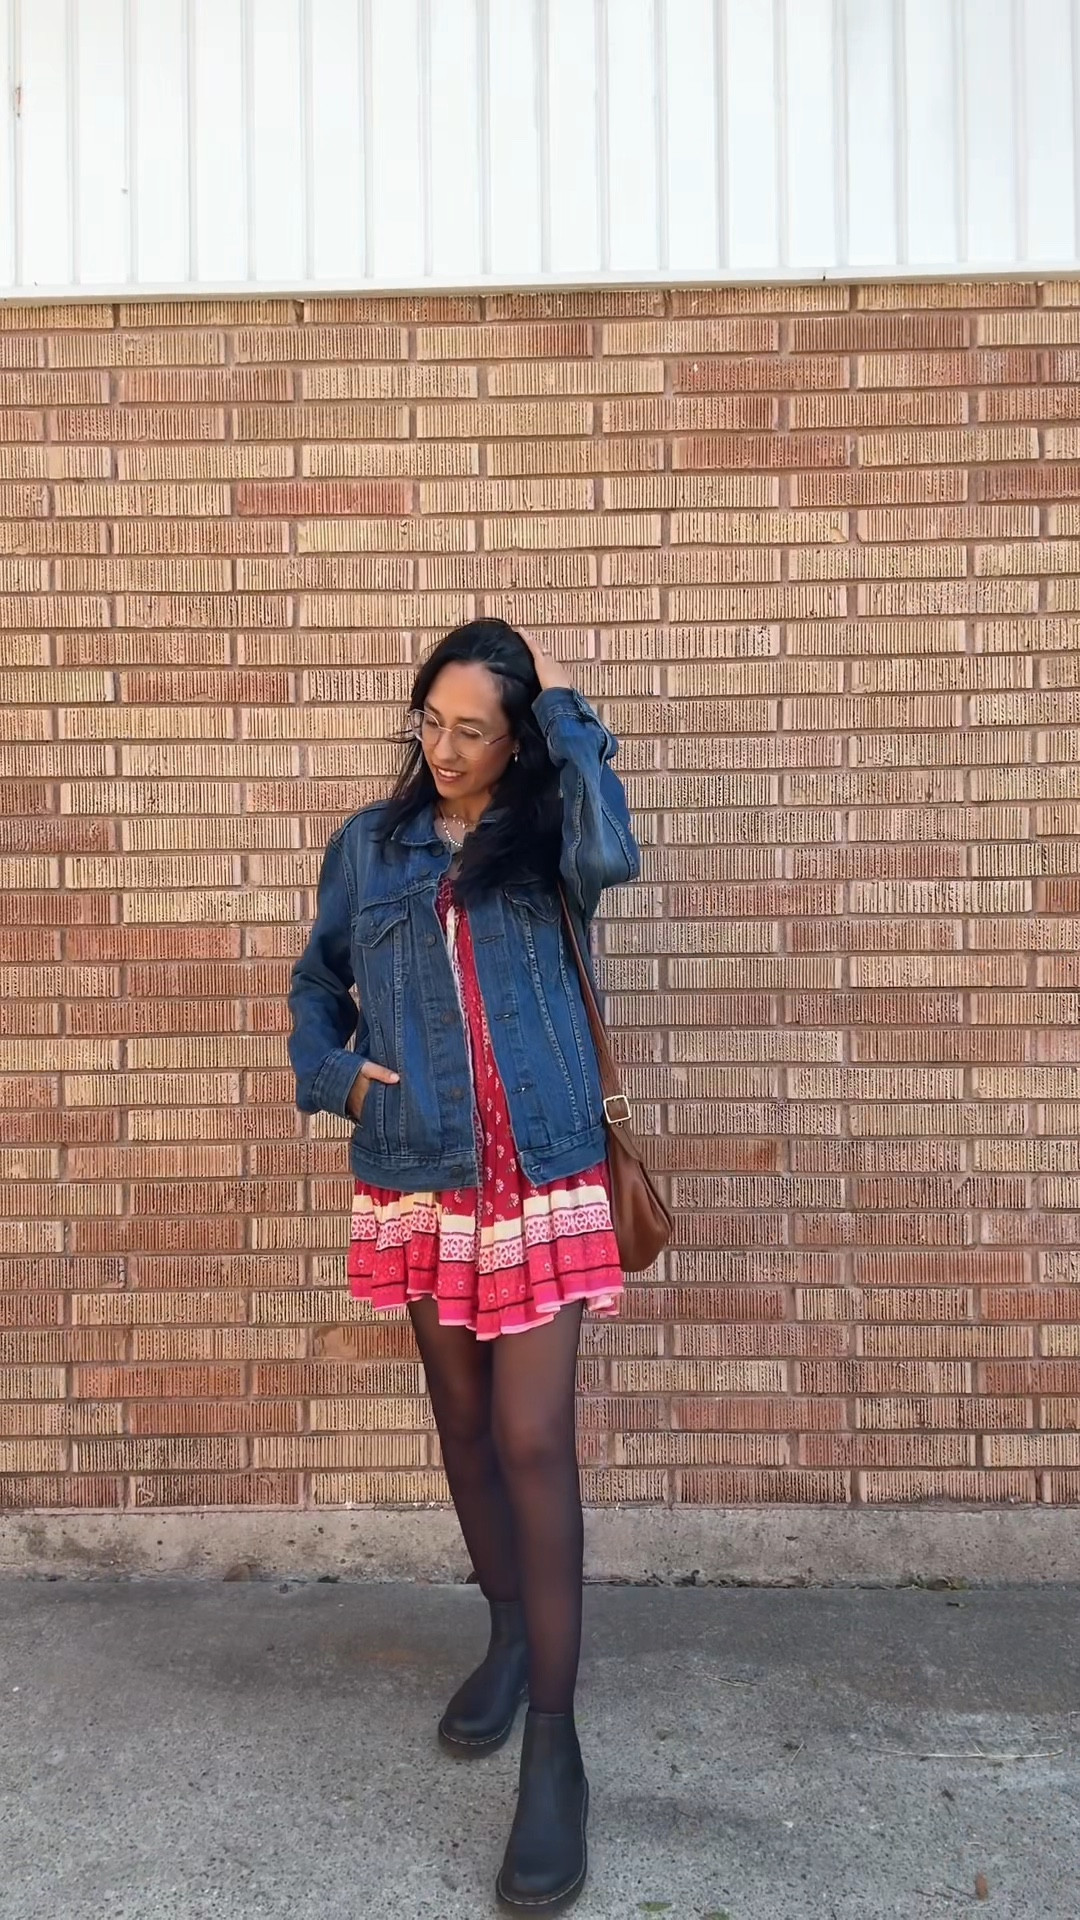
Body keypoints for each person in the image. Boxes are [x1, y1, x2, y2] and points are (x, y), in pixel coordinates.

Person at [288, 618, 640, 1914]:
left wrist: (568, 729)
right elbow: (315, 985)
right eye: (431, 723)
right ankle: (506, 1632)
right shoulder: (369, 848)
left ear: (516, 737)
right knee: (466, 1426)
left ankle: (555, 1744)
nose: (444, 749)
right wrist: (334, 1075)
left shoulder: (552, 839)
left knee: (534, 1437)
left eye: (474, 730)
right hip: (421, 1175)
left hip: (541, 1173)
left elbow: (615, 852)